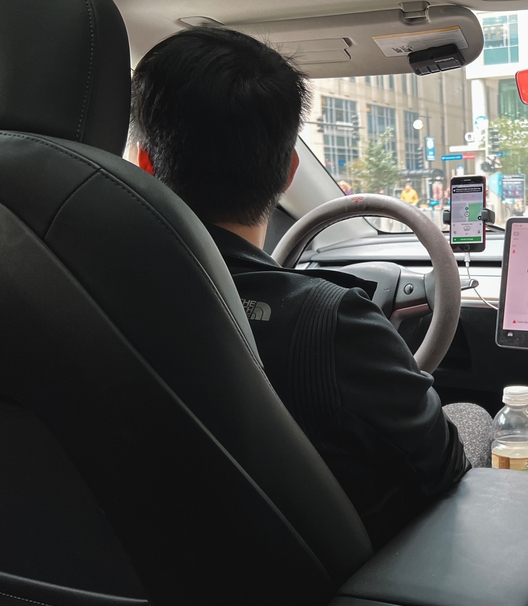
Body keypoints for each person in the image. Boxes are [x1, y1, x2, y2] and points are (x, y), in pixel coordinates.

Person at [126, 27, 487, 548]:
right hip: (328, 595)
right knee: (472, 417)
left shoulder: (84, 293)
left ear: (144, 162)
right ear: (290, 170)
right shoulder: (334, 323)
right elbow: (443, 468)